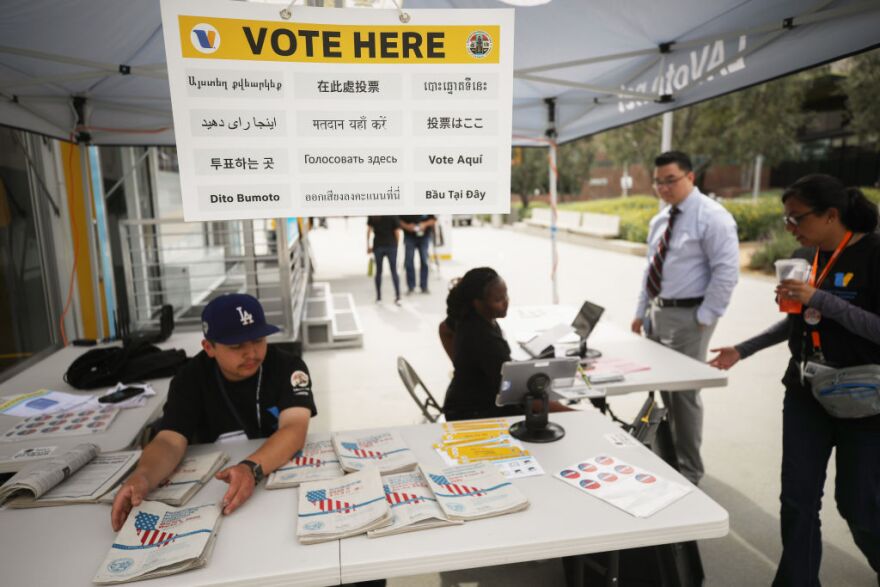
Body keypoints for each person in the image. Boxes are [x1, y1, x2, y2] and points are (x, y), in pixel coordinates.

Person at [708, 174, 880, 585]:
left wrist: (818, 299)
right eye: (786, 220)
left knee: (858, 504)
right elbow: (797, 321)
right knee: (797, 502)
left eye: (797, 218)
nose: (791, 228)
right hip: (805, 393)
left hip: (864, 396)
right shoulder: (807, 255)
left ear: (831, 215)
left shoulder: (874, 254)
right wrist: (742, 349)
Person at [110, 293, 316, 531]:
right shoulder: (189, 378)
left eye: (258, 340)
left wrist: (251, 469)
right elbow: (169, 440)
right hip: (213, 491)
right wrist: (143, 476)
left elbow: (294, 429)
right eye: (236, 345)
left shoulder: (289, 367)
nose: (251, 353)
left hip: (272, 478)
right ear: (209, 347)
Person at [631, 150, 739, 485]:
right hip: (658, 314)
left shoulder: (713, 217)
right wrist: (640, 312)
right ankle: (672, 458)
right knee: (665, 392)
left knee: (685, 396)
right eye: (659, 182)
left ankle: (689, 471)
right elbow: (651, 269)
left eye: (671, 180)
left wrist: (704, 317)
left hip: (690, 316)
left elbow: (726, 272)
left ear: (690, 177)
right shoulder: (661, 219)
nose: (664, 187)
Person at [439, 267, 570, 421]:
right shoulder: (484, 339)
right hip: (473, 414)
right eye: (498, 300)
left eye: (505, 295)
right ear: (477, 303)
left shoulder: (468, 316)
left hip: (464, 402)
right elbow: (517, 393)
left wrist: (463, 367)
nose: (506, 302)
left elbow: (444, 329)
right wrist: (572, 412)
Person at [366, 215, 401, 305]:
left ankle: (378, 297)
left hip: (378, 245)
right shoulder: (392, 214)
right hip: (391, 245)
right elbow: (397, 232)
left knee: (378, 271)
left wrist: (368, 245)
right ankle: (398, 296)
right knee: (394, 271)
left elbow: (368, 231)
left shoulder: (373, 214)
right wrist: (396, 245)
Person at [398, 214, 436, 294]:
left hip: (424, 237)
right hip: (409, 237)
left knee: (424, 261)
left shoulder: (426, 204)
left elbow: (433, 220)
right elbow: (398, 220)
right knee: (408, 262)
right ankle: (411, 287)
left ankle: (424, 286)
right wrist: (407, 226)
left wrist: (424, 224)